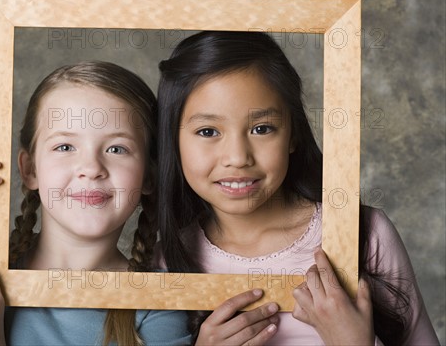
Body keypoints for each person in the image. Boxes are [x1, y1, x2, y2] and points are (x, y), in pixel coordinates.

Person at [156, 31, 439, 345]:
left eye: (262, 128)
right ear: (174, 141)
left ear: (293, 135)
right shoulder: (171, 259)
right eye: (208, 131)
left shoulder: (365, 234)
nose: (237, 158)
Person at [0, 61, 191, 345]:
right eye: (65, 146)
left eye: (117, 148)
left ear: (150, 175)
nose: (91, 167)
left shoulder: (159, 301)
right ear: (30, 170)